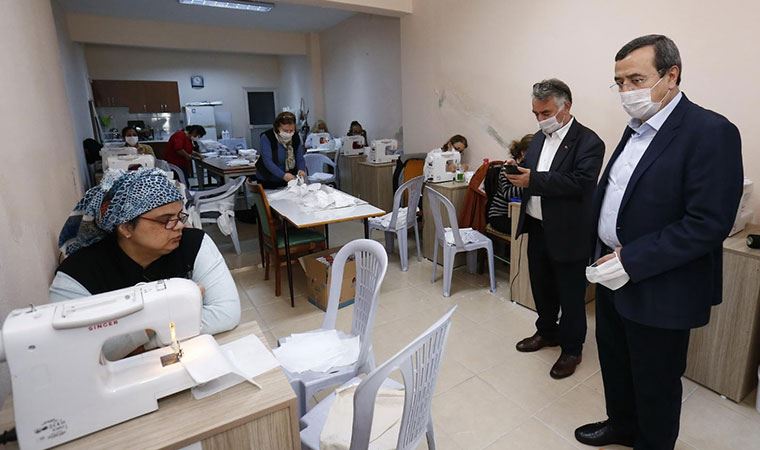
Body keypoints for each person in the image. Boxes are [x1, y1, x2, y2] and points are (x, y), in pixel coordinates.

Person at [575, 35, 743, 450]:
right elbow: (620, 195)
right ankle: (621, 426)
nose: (627, 91)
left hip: (661, 283)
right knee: (614, 363)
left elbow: (708, 223)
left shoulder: (711, 131)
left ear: (672, 75)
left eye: (636, 79)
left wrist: (630, 258)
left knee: (655, 381)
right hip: (613, 277)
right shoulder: (635, 129)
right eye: (620, 82)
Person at [51, 168, 241, 360]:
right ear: (125, 227)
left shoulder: (193, 244)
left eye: (179, 216)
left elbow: (226, 313)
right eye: (166, 220)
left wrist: (141, 345)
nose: (180, 226)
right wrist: (164, 316)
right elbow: (74, 351)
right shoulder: (77, 275)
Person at [507, 79, 604, 379]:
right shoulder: (537, 139)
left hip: (569, 232)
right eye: (535, 113)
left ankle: (572, 349)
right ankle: (547, 331)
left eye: (545, 112)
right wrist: (517, 172)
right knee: (542, 288)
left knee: (571, 296)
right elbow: (535, 175)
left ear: (566, 106)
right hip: (537, 227)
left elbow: (580, 183)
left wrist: (532, 180)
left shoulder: (589, 142)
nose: (540, 119)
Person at [486, 134, 532, 233]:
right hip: (500, 215)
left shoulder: (529, 169)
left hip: (519, 213)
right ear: (523, 153)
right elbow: (509, 194)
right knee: (531, 230)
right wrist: (530, 183)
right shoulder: (508, 168)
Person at [255, 111, 306, 189]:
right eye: (285, 131)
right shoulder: (267, 137)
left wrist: (301, 170)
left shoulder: (295, 137)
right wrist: (283, 175)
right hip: (268, 180)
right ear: (277, 128)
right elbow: (268, 161)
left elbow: (300, 158)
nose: (289, 133)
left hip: (288, 179)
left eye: (291, 130)